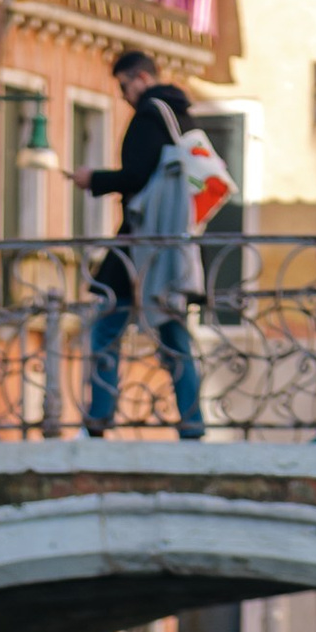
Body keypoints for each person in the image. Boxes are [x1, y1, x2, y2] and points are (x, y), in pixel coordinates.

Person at [79, 49, 207, 440]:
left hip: (141, 240)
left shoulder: (149, 115)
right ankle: (192, 420)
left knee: (107, 324)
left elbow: (137, 176)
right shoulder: (181, 116)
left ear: (138, 78)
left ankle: (99, 418)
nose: (122, 95)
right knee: (170, 328)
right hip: (169, 240)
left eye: (122, 86)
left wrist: (94, 179)